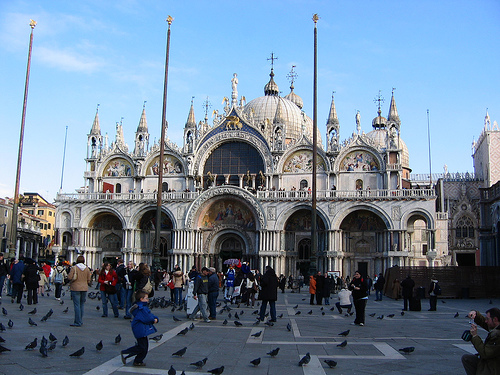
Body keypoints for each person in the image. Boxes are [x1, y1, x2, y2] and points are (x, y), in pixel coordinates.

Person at [121, 290, 159, 367]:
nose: (148, 300)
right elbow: (147, 317)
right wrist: (154, 319)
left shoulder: (142, 306)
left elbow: (148, 314)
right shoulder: (141, 308)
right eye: (146, 298)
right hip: (140, 330)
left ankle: (138, 360)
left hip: (142, 329)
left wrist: (154, 318)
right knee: (142, 347)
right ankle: (126, 353)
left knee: (144, 347)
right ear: (141, 299)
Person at [461, 307, 500, 375]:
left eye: (487, 319)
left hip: (494, 367)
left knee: (472, 361)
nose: (486, 321)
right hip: (493, 361)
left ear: (495, 319)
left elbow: (485, 353)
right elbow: (485, 323)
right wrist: (475, 315)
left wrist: (475, 336)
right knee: (467, 359)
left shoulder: (497, 335)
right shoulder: (496, 326)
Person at [67, 255, 92, 327]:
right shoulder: (87, 269)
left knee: (77, 305)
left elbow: (69, 277)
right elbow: (89, 279)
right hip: (84, 288)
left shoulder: (74, 268)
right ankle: (80, 320)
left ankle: (77, 321)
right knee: (82, 305)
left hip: (75, 288)